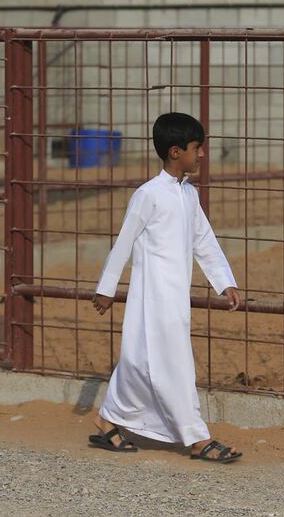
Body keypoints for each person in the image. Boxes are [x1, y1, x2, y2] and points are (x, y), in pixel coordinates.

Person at [88, 112, 243, 463]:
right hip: (151, 298)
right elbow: (123, 243)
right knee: (174, 364)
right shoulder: (148, 195)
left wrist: (224, 281)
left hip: (175, 298)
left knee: (138, 361)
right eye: (196, 148)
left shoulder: (189, 195)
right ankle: (197, 439)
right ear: (175, 152)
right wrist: (106, 289)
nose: (202, 154)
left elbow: (204, 240)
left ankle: (107, 419)